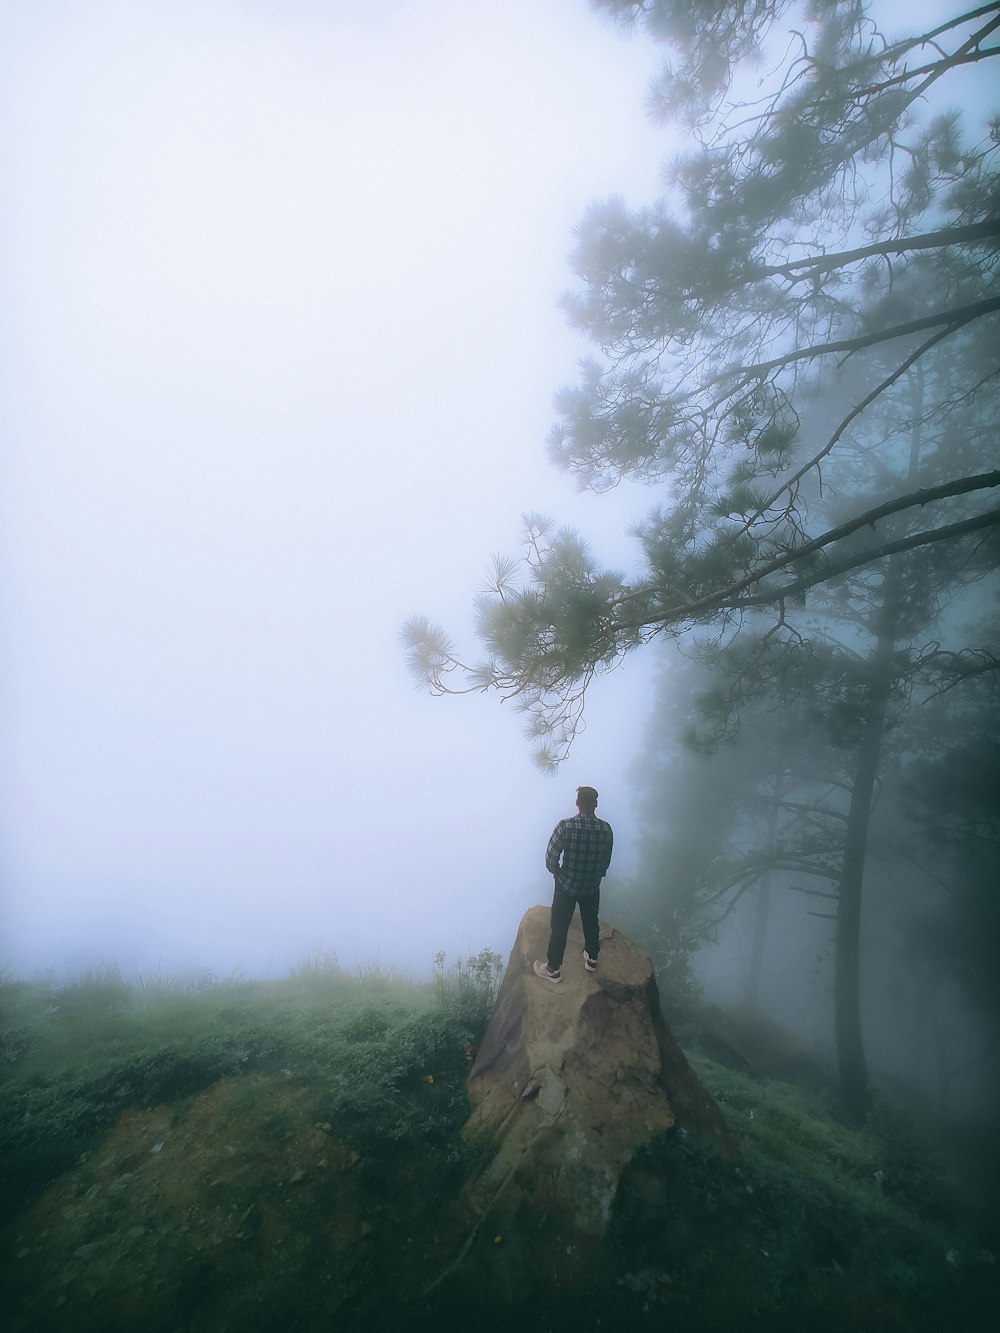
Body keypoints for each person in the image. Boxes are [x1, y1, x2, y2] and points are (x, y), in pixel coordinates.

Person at [533, 786, 613, 984]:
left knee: (560, 926)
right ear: (596, 804)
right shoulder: (605, 829)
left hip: (566, 886)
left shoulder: (565, 826)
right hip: (591, 887)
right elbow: (606, 860)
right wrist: (596, 876)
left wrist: (557, 873)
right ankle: (592, 958)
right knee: (590, 920)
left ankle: (553, 969)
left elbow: (551, 858)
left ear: (578, 803)